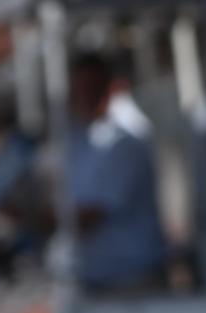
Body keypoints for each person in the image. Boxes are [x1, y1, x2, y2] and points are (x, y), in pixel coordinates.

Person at [65, 52, 169, 292]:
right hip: (97, 279)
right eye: (80, 89)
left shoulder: (126, 142)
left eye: (93, 88)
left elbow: (89, 215)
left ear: (109, 88)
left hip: (134, 281)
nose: (86, 97)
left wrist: (34, 220)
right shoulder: (80, 140)